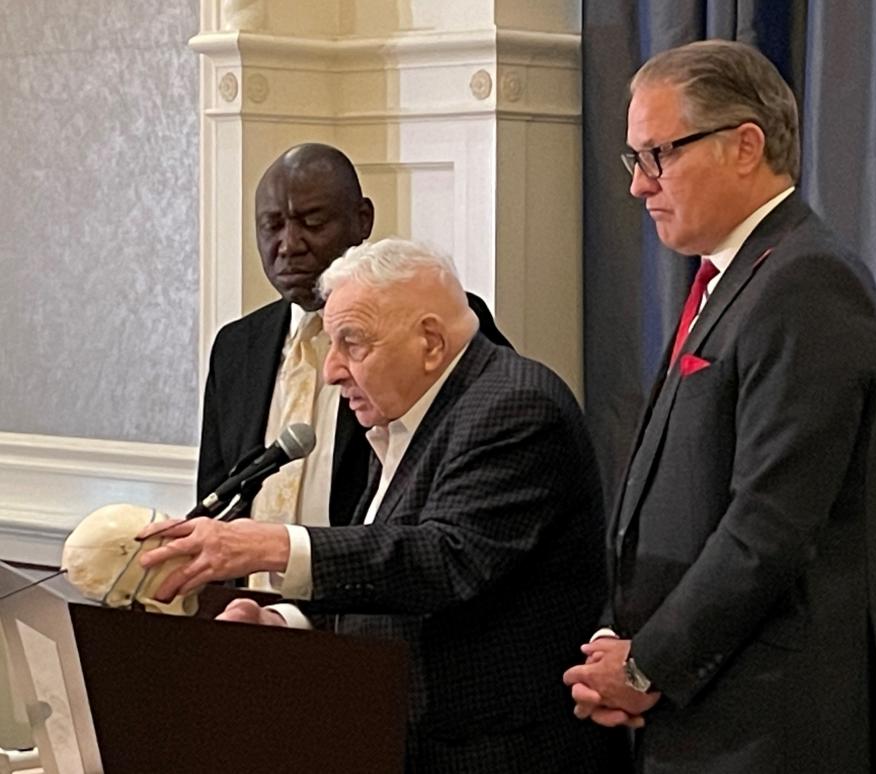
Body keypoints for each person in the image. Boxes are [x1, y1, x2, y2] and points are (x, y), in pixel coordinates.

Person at [139, 238, 629, 772]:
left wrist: (272, 545)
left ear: (431, 343)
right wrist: (282, 622)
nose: (331, 370)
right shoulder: (405, 416)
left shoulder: (514, 405)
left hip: (497, 754)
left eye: (352, 343)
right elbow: (380, 578)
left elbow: (445, 560)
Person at [563, 40, 876, 774]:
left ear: (746, 145)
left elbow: (768, 527)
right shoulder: (738, 276)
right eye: (634, 160)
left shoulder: (807, 284)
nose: (638, 186)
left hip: (770, 727)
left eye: (659, 155)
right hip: (703, 711)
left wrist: (646, 665)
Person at [198, 144, 510, 591]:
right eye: (272, 225)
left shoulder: (435, 326)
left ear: (362, 220)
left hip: (366, 609)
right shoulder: (237, 346)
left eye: (312, 222)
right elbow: (217, 499)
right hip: (250, 618)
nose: (288, 245)